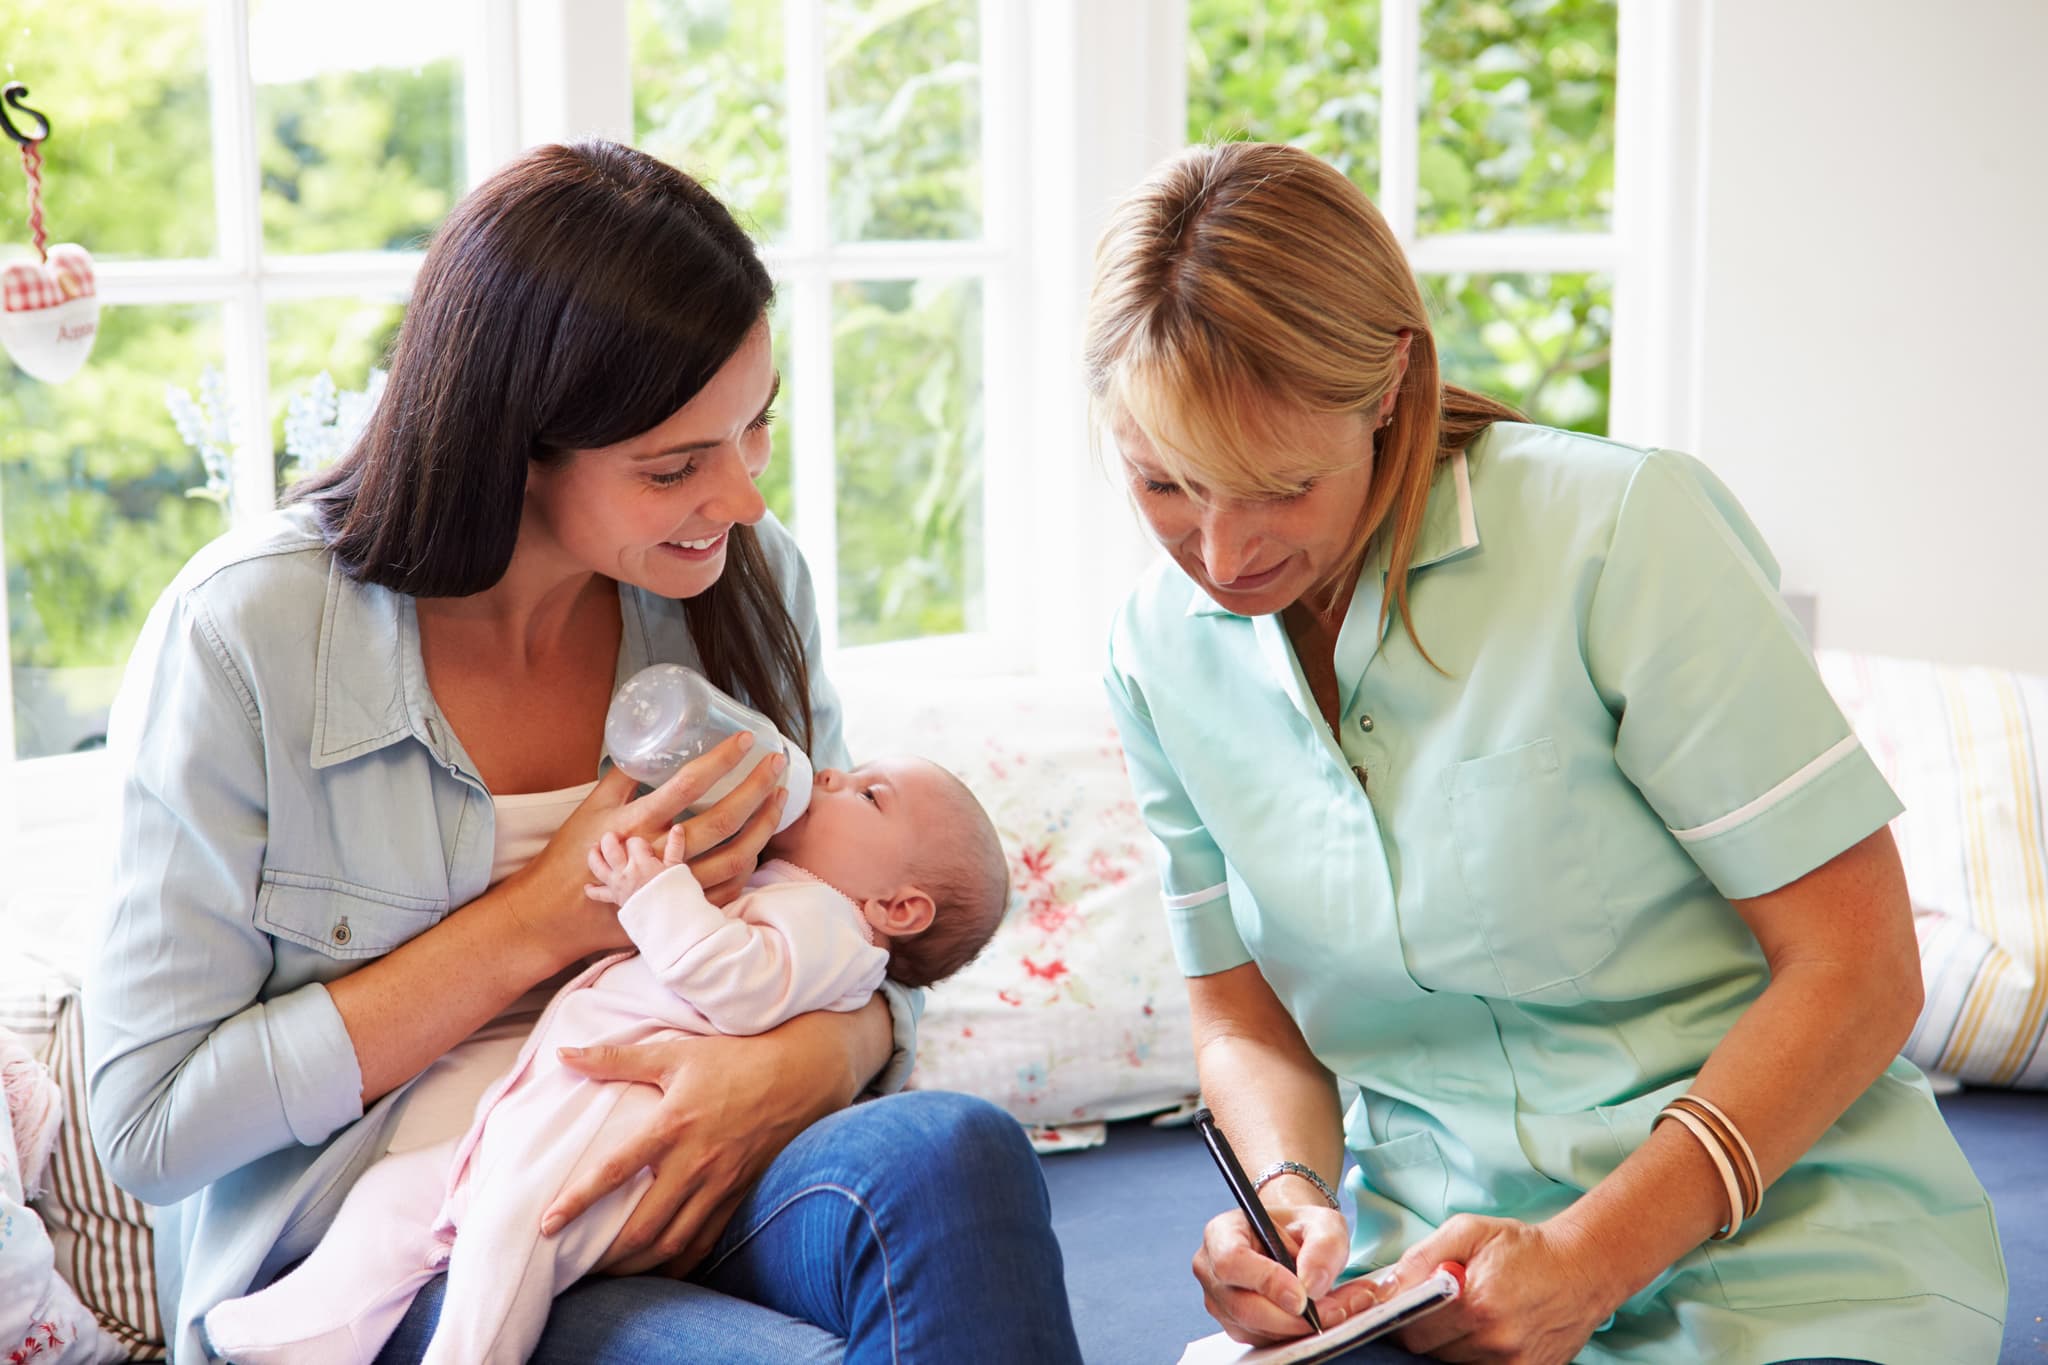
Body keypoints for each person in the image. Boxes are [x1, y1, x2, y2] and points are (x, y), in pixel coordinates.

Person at [85, 140, 1081, 1365]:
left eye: (753, 430)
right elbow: (151, 1126)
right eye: (676, 466)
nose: (744, 500)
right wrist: (538, 922)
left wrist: (822, 1054)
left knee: (954, 1152)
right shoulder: (248, 637)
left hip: (692, 1152)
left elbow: (862, 924)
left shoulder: (743, 583)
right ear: (510, 448)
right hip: (418, 1226)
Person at [1087, 141, 2005, 1365]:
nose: (1221, 552)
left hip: (1791, 1268)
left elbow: (1860, 968)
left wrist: (1590, 1261)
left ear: (1387, 385)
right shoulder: (1155, 650)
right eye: (1164, 486)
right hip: (1430, 1294)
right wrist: (1289, 1204)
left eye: (1280, 485)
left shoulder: (1620, 534)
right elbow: (1246, 1027)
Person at [205, 755, 1011, 1365]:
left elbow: (740, 983)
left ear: (899, 908)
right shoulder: (790, 888)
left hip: (620, 1124)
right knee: (402, 1195)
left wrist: (655, 894)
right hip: (557, 1097)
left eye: (869, 795)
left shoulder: (833, 926)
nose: (832, 772)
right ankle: (311, 1324)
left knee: (510, 1231)